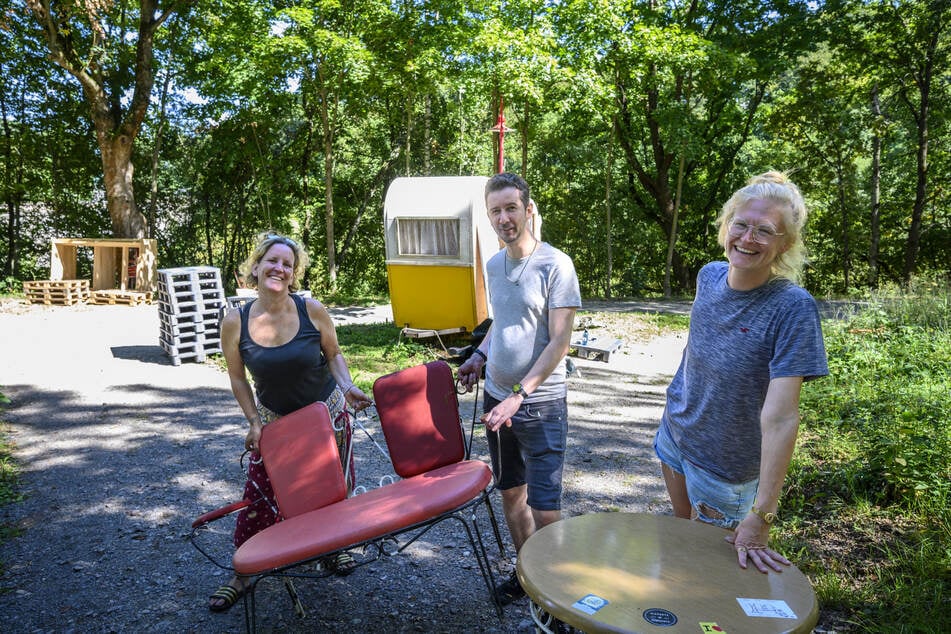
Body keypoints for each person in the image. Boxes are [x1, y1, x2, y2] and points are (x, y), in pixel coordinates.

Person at [654, 171, 828, 574]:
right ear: (726, 225)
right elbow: (697, 352)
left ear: (785, 244)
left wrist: (763, 515)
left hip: (726, 471)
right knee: (683, 540)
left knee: (712, 575)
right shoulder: (708, 275)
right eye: (742, 224)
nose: (748, 239)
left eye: (765, 231)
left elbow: (782, 417)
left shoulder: (792, 308)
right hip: (675, 439)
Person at [207, 232, 372, 612]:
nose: (279, 268)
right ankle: (244, 573)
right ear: (256, 266)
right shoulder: (236, 321)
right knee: (260, 497)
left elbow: (333, 354)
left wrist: (348, 387)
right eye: (272, 260)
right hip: (276, 422)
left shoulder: (311, 309)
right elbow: (237, 377)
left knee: (333, 490)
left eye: (287, 264)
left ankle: (333, 547)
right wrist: (252, 421)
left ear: (293, 274)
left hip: (327, 413)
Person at [458, 173, 581, 606]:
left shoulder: (556, 265)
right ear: (489, 216)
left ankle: (558, 590)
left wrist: (520, 395)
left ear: (528, 209)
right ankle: (528, 573)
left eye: (511, 207)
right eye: (496, 211)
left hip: (539, 404)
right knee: (511, 491)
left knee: (546, 507)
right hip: (496, 399)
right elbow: (503, 325)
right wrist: (479, 355)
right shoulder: (494, 265)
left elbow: (560, 342)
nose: (504, 217)